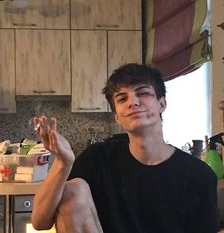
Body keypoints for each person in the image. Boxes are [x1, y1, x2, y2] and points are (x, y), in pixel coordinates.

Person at [31, 63, 219, 233]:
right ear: (117, 117)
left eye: (143, 93)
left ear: (162, 103)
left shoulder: (199, 175)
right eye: (122, 99)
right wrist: (63, 163)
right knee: (72, 189)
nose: (133, 102)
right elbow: (40, 222)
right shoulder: (97, 160)